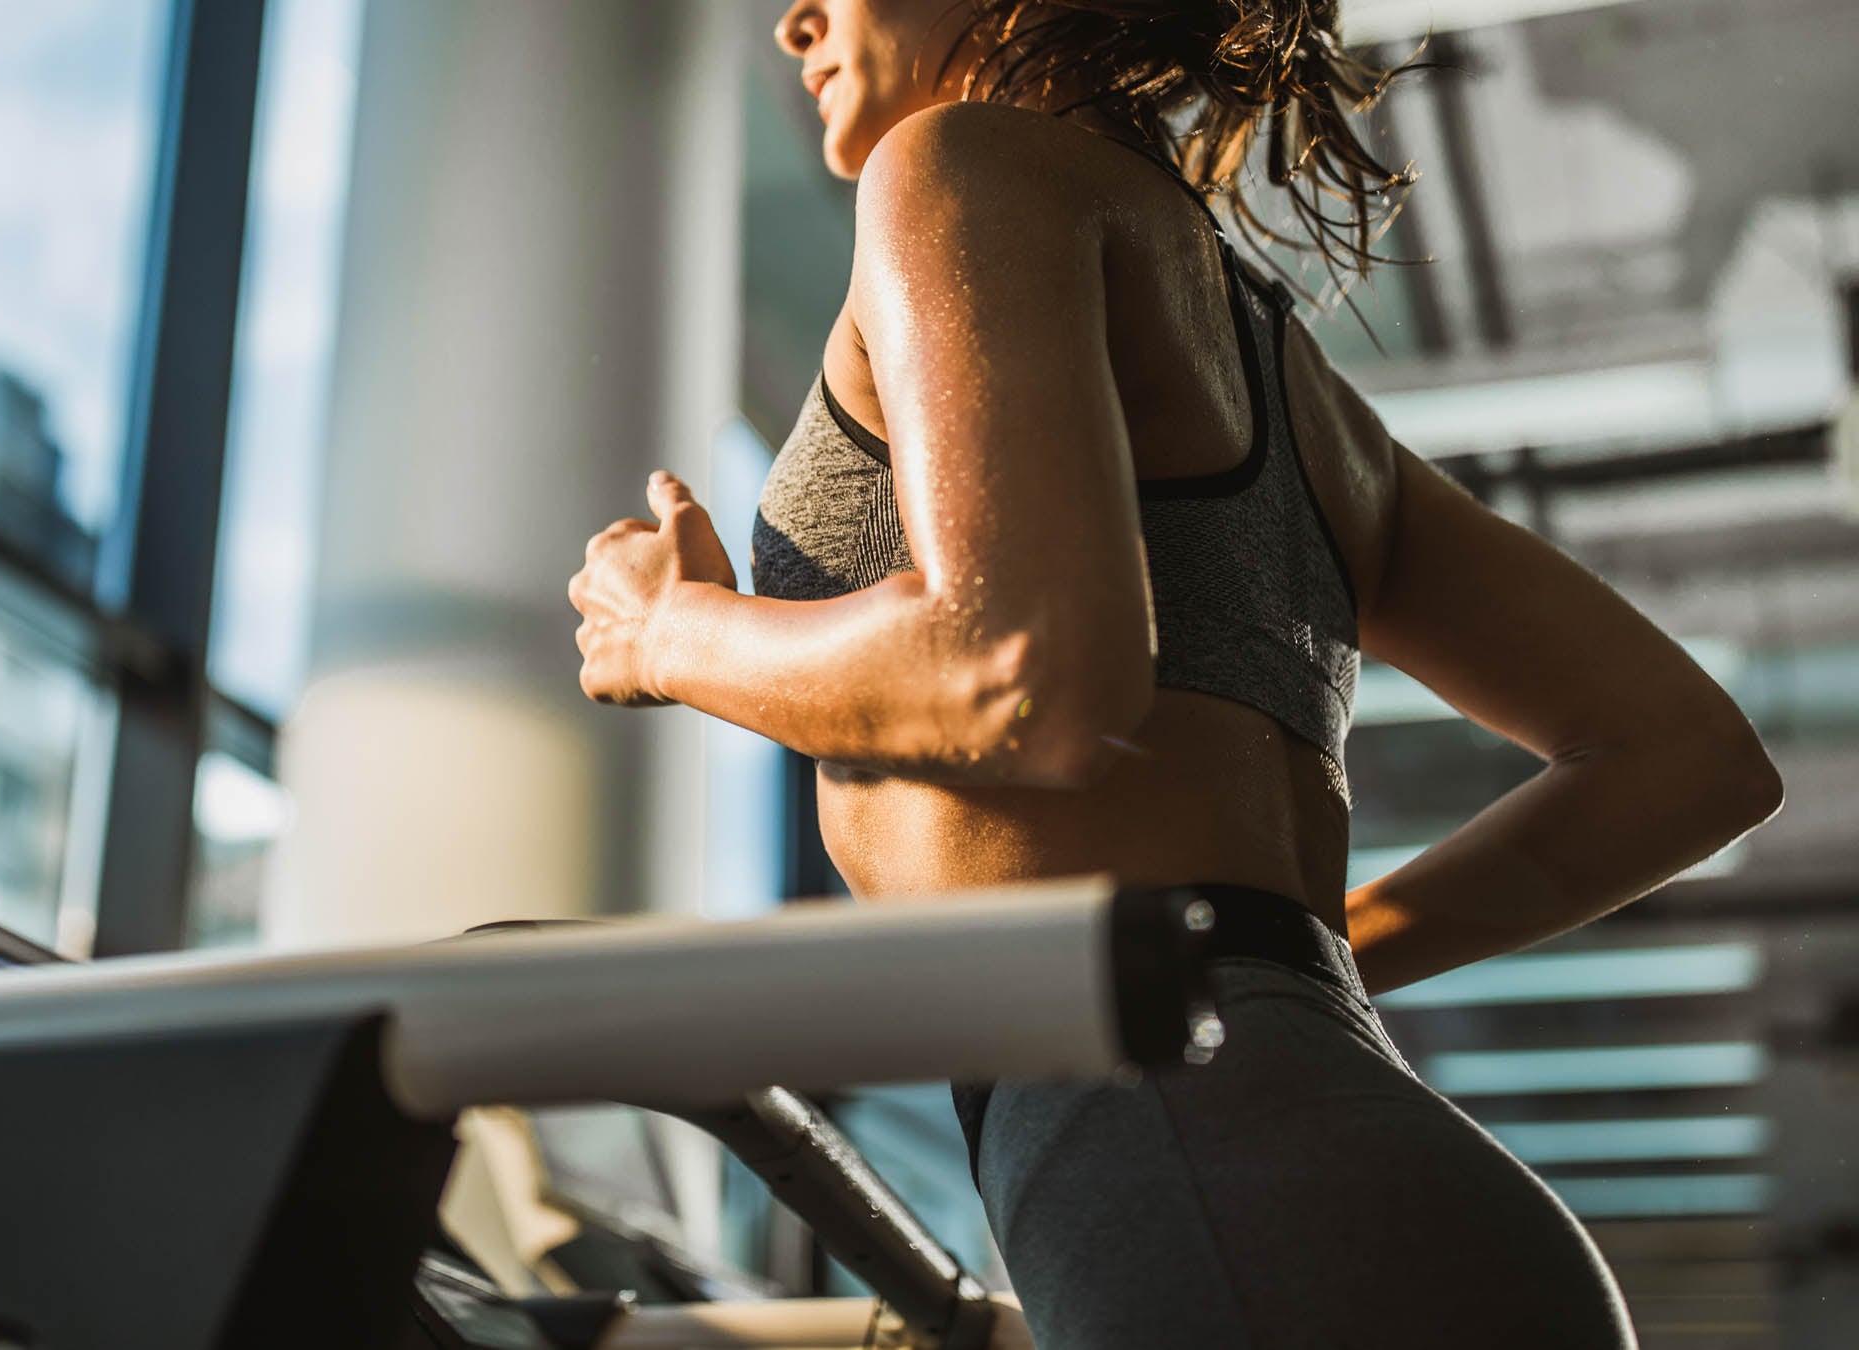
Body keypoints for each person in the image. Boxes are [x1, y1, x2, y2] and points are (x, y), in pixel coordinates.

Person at [566, 1, 1783, 1345]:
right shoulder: (1308, 395)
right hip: (1337, 1161)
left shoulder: (959, 161)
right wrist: (1285, 974)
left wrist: (669, 632)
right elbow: (1684, 763)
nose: (794, 17)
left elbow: (1016, 672)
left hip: (1202, 1158)